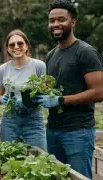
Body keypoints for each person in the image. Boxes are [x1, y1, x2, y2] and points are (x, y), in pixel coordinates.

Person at [35, 0, 103, 178]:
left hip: (78, 132)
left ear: (73, 22)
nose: (55, 24)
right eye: (51, 20)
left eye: (61, 19)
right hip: (53, 130)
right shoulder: (51, 54)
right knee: (58, 177)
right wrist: (34, 94)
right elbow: (51, 87)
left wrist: (61, 100)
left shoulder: (85, 52)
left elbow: (99, 92)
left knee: (78, 177)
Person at [0, 29, 47, 150]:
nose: (16, 47)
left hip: (33, 119)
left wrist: (28, 100)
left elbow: (44, 92)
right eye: (12, 45)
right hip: (10, 120)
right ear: (7, 49)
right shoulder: (3, 69)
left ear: (27, 46)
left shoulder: (39, 66)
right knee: (10, 158)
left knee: (39, 158)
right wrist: (2, 99)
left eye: (20, 43)